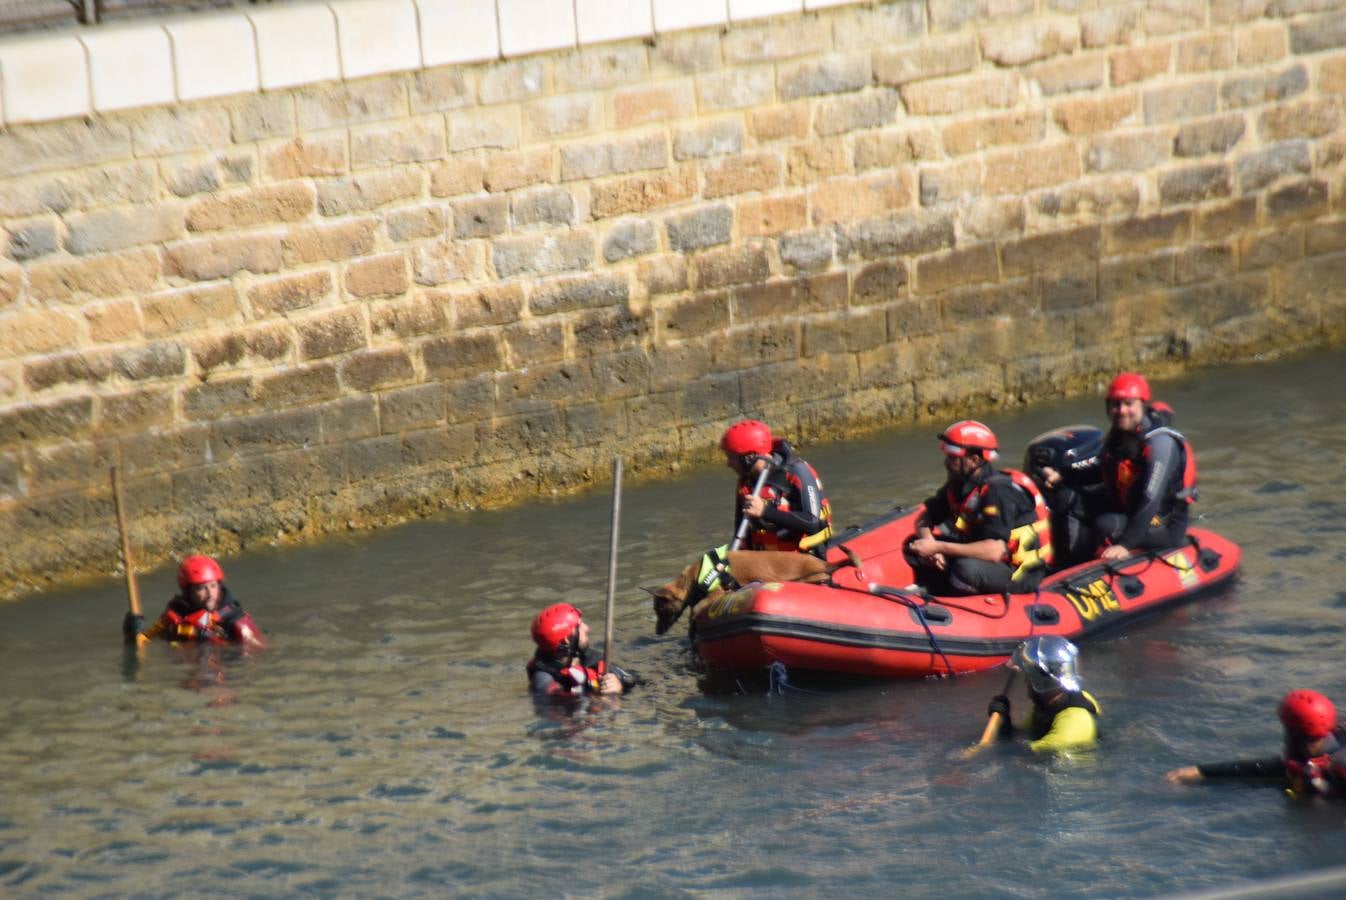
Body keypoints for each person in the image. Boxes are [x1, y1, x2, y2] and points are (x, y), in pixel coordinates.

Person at [1039, 372, 1197, 563]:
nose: (1121, 410)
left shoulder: (1160, 443)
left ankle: (1082, 570)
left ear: (1142, 405)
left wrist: (1125, 544)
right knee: (1067, 498)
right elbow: (1102, 469)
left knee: (1105, 525)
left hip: (1163, 522)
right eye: (1116, 404)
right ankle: (1065, 563)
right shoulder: (1119, 436)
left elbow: (1151, 499)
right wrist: (1063, 475)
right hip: (1126, 508)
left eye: (1129, 404)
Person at [907, 420, 1053, 595]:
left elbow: (994, 551)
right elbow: (925, 518)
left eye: (953, 458)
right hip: (984, 558)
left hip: (1018, 572)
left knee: (965, 569)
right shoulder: (959, 485)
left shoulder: (998, 492)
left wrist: (938, 548)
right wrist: (929, 544)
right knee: (913, 546)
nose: (946, 463)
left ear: (974, 459)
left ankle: (956, 605)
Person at [1165, 690, 1346, 798]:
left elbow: (1278, 768)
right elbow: (1272, 767)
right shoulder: (1314, 755)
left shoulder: (1335, 767)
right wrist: (1202, 771)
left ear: (1293, 733)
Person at [720, 419, 833, 556]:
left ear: (750, 457)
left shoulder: (797, 471)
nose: (728, 464)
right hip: (769, 564)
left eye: (732, 458)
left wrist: (764, 511)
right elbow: (741, 533)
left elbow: (812, 522)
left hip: (806, 559)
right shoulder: (745, 484)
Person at [986, 635, 1100, 753]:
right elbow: (1024, 735)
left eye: (1028, 677)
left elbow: (1024, 755)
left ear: (1040, 681)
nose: (1025, 681)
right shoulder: (1047, 706)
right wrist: (1004, 723)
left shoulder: (1074, 723)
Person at [122, 555, 264, 648]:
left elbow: (256, 654)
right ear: (188, 591)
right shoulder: (175, 614)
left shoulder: (237, 621)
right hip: (185, 675)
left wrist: (218, 641)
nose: (210, 594)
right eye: (201, 589)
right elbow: (143, 642)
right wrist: (131, 634)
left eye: (213, 586)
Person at [526, 602, 633, 698]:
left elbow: (636, 682)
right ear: (567, 640)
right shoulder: (545, 684)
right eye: (579, 626)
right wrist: (608, 700)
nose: (587, 628)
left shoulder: (587, 657)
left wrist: (619, 685)